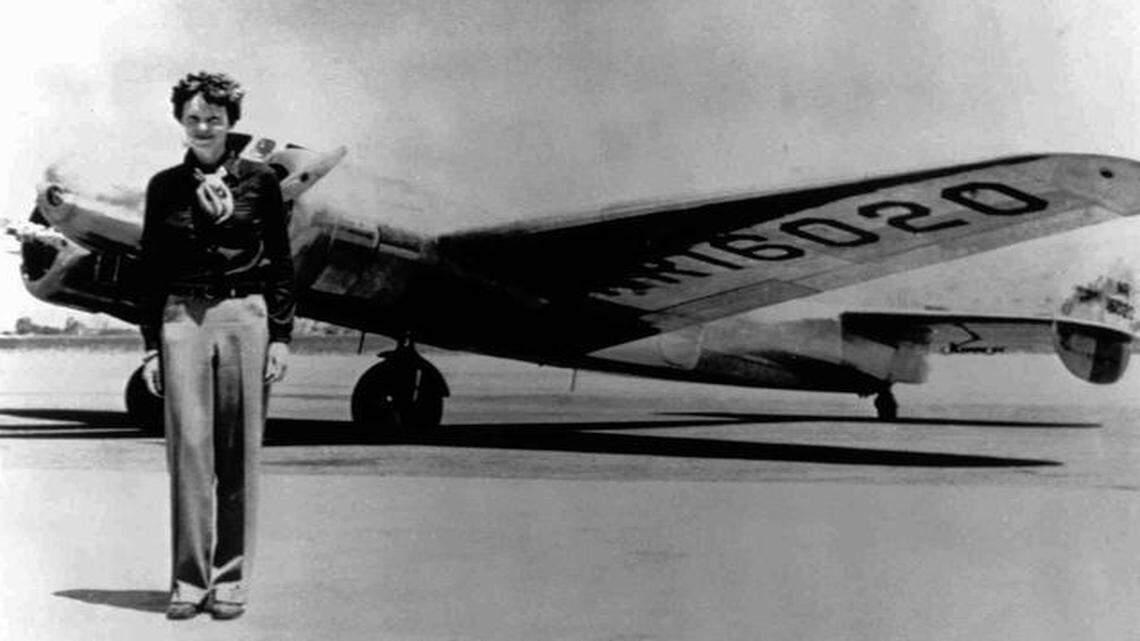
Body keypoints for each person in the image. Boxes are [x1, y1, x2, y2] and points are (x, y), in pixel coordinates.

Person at [138, 71, 296, 621]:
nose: (203, 127)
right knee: (188, 453)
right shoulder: (163, 187)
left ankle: (230, 581)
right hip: (182, 318)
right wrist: (151, 346)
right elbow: (150, 271)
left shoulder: (261, 182)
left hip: (244, 318)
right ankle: (188, 581)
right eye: (193, 119)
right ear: (180, 122)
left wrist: (280, 334)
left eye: (214, 118)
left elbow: (280, 260)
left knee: (238, 455)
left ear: (232, 122)